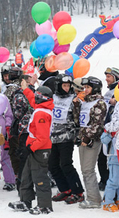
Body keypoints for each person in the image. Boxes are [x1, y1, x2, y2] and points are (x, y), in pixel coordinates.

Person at [8, 85, 54, 215]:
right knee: (26, 175)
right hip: (34, 147)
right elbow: (33, 101)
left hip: (40, 149)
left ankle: (44, 205)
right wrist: (26, 89)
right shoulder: (41, 107)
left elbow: (43, 137)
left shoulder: (42, 113)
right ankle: (25, 201)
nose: (35, 97)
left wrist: (30, 148)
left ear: (42, 97)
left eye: (37, 95)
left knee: (39, 176)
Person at [49, 74, 84, 204]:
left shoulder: (74, 99)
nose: (66, 88)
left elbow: (79, 118)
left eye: (68, 85)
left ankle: (78, 192)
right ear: (58, 85)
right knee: (52, 165)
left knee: (66, 164)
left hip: (66, 137)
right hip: (53, 137)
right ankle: (65, 189)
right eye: (64, 85)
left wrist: (77, 135)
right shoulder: (52, 97)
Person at [73, 76, 107, 209]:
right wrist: (76, 105)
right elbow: (78, 121)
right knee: (85, 170)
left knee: (88, 170)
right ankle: (91, 197)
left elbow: (98, 124)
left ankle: (94, 199)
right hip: (83, 139)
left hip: (91, 141)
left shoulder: (99, 103)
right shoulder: (85, 102)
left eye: (88, 87)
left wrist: (87, 138)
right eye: (84, 87)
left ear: (95, 88)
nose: (85, 90)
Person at [11, 75, 35, 193]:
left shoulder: (35, 92)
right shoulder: (19, 95)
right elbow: (19, 114)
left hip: (35, 132)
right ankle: (22, 186)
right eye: (30, 79)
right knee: (24, 160)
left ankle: (31, 185)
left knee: (34, 160)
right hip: (25, 130)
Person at [97, 67, 119, 191]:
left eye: (109, 77)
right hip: (106, 130)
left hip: (115, 132)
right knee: (101, 158)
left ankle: (112, 184)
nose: (106, 79)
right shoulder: (108, 92)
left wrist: (116, 102)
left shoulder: (116, 91)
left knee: (112, 160)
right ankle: (105, 180)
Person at [101, 102, 119, 212]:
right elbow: (104, 139)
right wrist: (109, 132)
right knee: (114, 180)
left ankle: (117, 199)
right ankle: (108, 201)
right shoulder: (110, 127)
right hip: (114, 156)